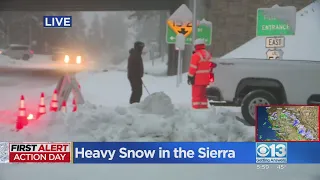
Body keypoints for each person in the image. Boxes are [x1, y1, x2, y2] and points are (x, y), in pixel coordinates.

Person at [187, 38, 215, 109]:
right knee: (203, 96)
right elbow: (211, 67)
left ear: (196, 46)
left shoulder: (196, 55)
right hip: (207, 80)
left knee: (196, 96)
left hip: (197, 80)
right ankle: (203, 108)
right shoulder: (208, 54)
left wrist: (190, 77)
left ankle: (196, 110)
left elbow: (192, 68)